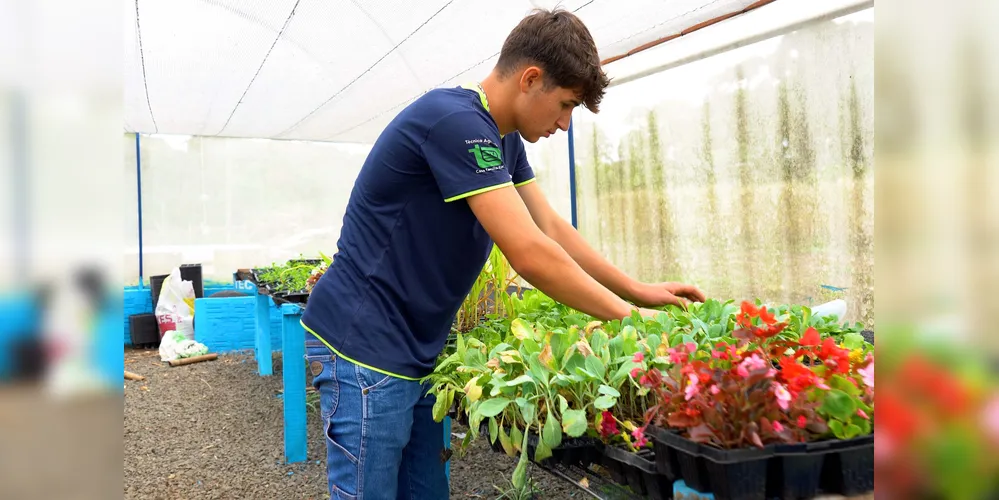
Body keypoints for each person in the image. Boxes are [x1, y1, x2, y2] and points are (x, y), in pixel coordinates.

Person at [301, 8, 706, 499]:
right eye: (565, 104)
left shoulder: (503, 139)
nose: (564, 122)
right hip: (362, 345)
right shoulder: (453, 121)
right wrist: (633, 321)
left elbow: (551, 227)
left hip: (414, 349)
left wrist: (641, 293)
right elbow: (529, 254)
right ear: (531, 79)